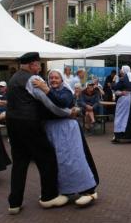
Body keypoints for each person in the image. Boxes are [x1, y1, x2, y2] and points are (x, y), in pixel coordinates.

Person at [6, 52, 70, 215]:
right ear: (32, 65)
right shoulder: (34, 79)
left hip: (12, 124)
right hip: (30, 124)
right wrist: (67, 113)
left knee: (19, 163)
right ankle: (49, 196)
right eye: (38, 64)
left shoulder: (13, 79)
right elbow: (48, 102)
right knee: (47, 158)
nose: (40, 67)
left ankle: (14, 203)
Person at [30, 69, 99, 207]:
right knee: (59, 162)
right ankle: (65, 190)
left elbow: (62, 102)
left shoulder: (65, 92)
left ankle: (89, 190)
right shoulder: (44, 93)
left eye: (56, 78)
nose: (53, 80)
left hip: (67, 130)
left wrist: (46, 90)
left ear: (62, 80)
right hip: (52, 131)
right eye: (51, 78)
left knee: (75, 159)